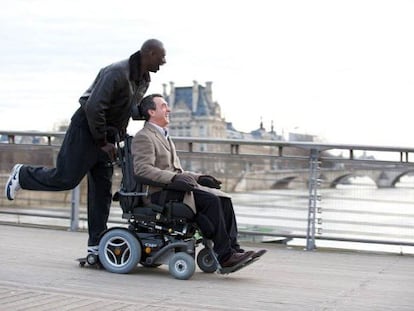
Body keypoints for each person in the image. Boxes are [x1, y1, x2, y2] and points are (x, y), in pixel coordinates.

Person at [5, 39, 166, 255]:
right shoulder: (117, 72)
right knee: (66, 178)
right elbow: (93, 107)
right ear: (149, 53)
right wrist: (102, 142)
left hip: (107, 136)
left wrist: (148, 113)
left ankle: (96, 244)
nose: (164, 61)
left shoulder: (142, 79)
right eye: (161, 56)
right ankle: (22, 175)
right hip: (87, 131)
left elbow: (125, 106)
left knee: (102, 191)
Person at [131, 94, 266, 269]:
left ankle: (234, 250)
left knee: (224, 199)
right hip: (159, 194)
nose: (168, 109)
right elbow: (142, 170)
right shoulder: (144, 136)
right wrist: (174, 178)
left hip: (174, 188)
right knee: (211, 201)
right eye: (164, 106)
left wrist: (200, 178)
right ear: (151, 111)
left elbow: (176, 170)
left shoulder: (164, 136)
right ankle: (225, 256)